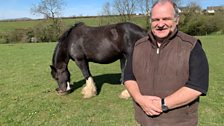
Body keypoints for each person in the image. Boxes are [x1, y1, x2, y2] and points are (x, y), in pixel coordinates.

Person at [123, 0, 209, 126]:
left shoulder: (191, 46)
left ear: (176, 20)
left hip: (179, 122)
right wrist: (139, 99)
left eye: (166, 19)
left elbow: (197, 86)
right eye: (155, 19)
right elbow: (128, 77)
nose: (160, 24)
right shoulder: (138, 46)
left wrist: (163, 104)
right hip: (144, 121)